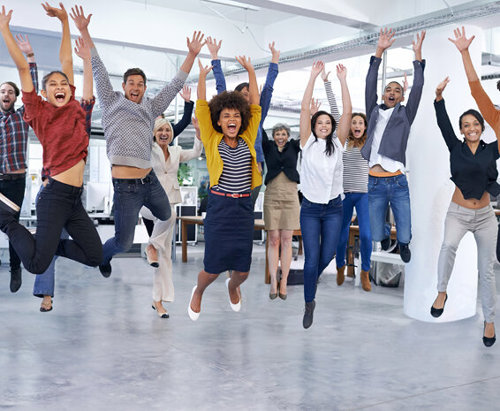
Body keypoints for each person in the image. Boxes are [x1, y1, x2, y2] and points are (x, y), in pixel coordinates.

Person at [72, 5, 204, 277]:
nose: (135, 87)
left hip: (150, 180)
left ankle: (152, 247)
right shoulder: (110, 102)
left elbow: (175, 85)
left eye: (140, 83)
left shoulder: (151, 107)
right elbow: (98, 67)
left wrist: (191, 54)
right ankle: (103, 257)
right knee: (123, 242)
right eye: (131, 83)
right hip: (125, 187)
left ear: (145, 87)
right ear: (124, 87)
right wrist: (84, 30)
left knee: (167, 214)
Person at [0, 3, 102, 273]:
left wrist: (65, 22)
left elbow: (67, 61)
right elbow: (23, 69)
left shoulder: (77, 109)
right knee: (36, 265)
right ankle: (7, 223)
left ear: (70, 89)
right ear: (44, 94)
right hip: (54, 196)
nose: (59, 86)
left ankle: (47, 244)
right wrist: (3, 29)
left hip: (74, 199)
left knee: (95, 255)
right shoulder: (38, 112)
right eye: (52, 85)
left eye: (63, 84)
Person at [438, 25, 500, 346]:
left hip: (489, 208)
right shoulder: (497, 123)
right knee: (484, 266)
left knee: (489, 269)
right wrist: (464, 53)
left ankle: (489, 320)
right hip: (477, 206)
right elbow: (477, 90)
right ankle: (486, 319)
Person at [188, 56, 261, 321]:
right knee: (213, 268)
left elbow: (256, 106)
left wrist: (251, 71)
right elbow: (201, 105)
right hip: (219, 207)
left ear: (241, 120)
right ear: (218, 121)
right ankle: (199, 291)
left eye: (236, 116)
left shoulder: (248, 137)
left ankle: (233, 287)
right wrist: (202, 78)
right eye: (226, 116)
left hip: (243, 207)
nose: (232, 119)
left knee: (242, 270)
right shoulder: (211, 137)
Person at [361, 28, 426, 263]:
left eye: (397, 90)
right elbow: (369, 82)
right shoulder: (374, 111)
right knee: (377, 233)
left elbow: (418, 88)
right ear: (383, 94)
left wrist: (417, 56)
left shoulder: (406, 114)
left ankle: (404, 242)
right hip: (374, 182)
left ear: (402, 97)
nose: (392, 92)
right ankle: (385, 233)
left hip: (398, 181)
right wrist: (379, 51)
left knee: (406, 232)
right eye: (388, 89)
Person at [299, 61, 351, 329]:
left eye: (327, 122)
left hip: (333, 208)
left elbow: (348, 113)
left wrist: (342, 81)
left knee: (328, 255)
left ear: (332, 126)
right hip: (309, 208)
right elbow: (304, 106)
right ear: (313, 125)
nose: (323, 125)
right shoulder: (307, 142)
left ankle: (309, 279)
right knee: (311, 258)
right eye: (319, 121)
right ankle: (309, 302)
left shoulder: (339, 144)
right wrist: (312, 77)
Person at [140, 116, 202, 318]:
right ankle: (151, 246)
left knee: (163, 255)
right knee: (170, 215)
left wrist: (199, 132)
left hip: (170, 203)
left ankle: (157, 300)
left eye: (167, 130)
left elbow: (196, 152)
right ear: (154, 134)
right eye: (160, 131)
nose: (164, 133)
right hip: (149, 205)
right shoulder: (148, 149)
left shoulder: (176, 152)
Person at [206, 37, 279, 207]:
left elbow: (267, 88)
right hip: (227, 170)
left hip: (253, 169)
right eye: (244, 94)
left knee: (245, 211)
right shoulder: (229, 119)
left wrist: (274, 59)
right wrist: (215, 57)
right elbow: (220, 87)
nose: (248, 98)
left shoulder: (257, 118)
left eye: (251, 94)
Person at [320, 68, 372, 291]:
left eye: (361, 123)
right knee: (340, 238)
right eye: (354, 122)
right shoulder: (342, 142)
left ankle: (365, 272)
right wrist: (330, 82)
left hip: (363, 196)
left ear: (365, 127)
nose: (357, 125)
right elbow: (335, 110)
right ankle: (340, 266)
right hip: (344, 196)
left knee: (368, 236)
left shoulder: (371, 144)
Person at [0, 34, 38, 292]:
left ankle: (16, 267)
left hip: (15, 181)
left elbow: (32, 92)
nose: (6, 94)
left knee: (11, 227)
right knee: (8, 225)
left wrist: (31, 59)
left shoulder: (22, 117)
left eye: (10, 92)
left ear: (15, 98)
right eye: (2, 91)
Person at [142, 85, 195, 266]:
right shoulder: (145, 140)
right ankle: (152, 250)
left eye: (164, 125)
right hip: (149, 197)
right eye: (157, 125)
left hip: (168, 196)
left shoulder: (168, 135)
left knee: (161, 246)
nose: (163, 130)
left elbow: (184, 122)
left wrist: (187, 103)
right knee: (156, 238)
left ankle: (162, 284)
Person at [262, 123, 300, 300]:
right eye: (277, 133)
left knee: (286, 240)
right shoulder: (268, 146)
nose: (280, 136)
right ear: (273, 135)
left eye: (283, 133)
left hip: (291, 195)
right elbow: (259, 126)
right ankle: (273, 282)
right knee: (273, 240)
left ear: (288, 135)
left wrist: (311, 115)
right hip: (272, 195)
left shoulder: (294, 146)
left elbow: (308, 133)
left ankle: (283, 281)